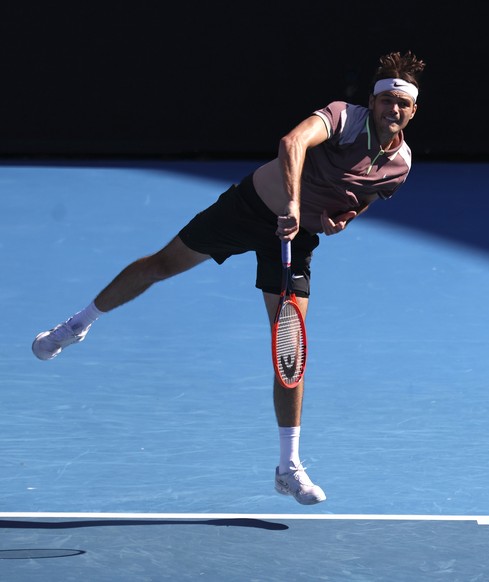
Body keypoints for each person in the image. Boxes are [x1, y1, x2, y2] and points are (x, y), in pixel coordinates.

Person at [31, 51, 426, 505]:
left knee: (289, 345)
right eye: (386, 100)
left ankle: (288, 466)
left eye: (403, 104)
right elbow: (292, 143)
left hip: (295, 241)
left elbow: (368, 195)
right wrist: (295, 205)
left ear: (413, 111)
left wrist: (344, 217)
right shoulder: (345, 118)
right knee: (161, 264)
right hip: (251, 209)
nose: (393, 110)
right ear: (373, 102)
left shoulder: (401, 164)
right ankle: (77, 325)